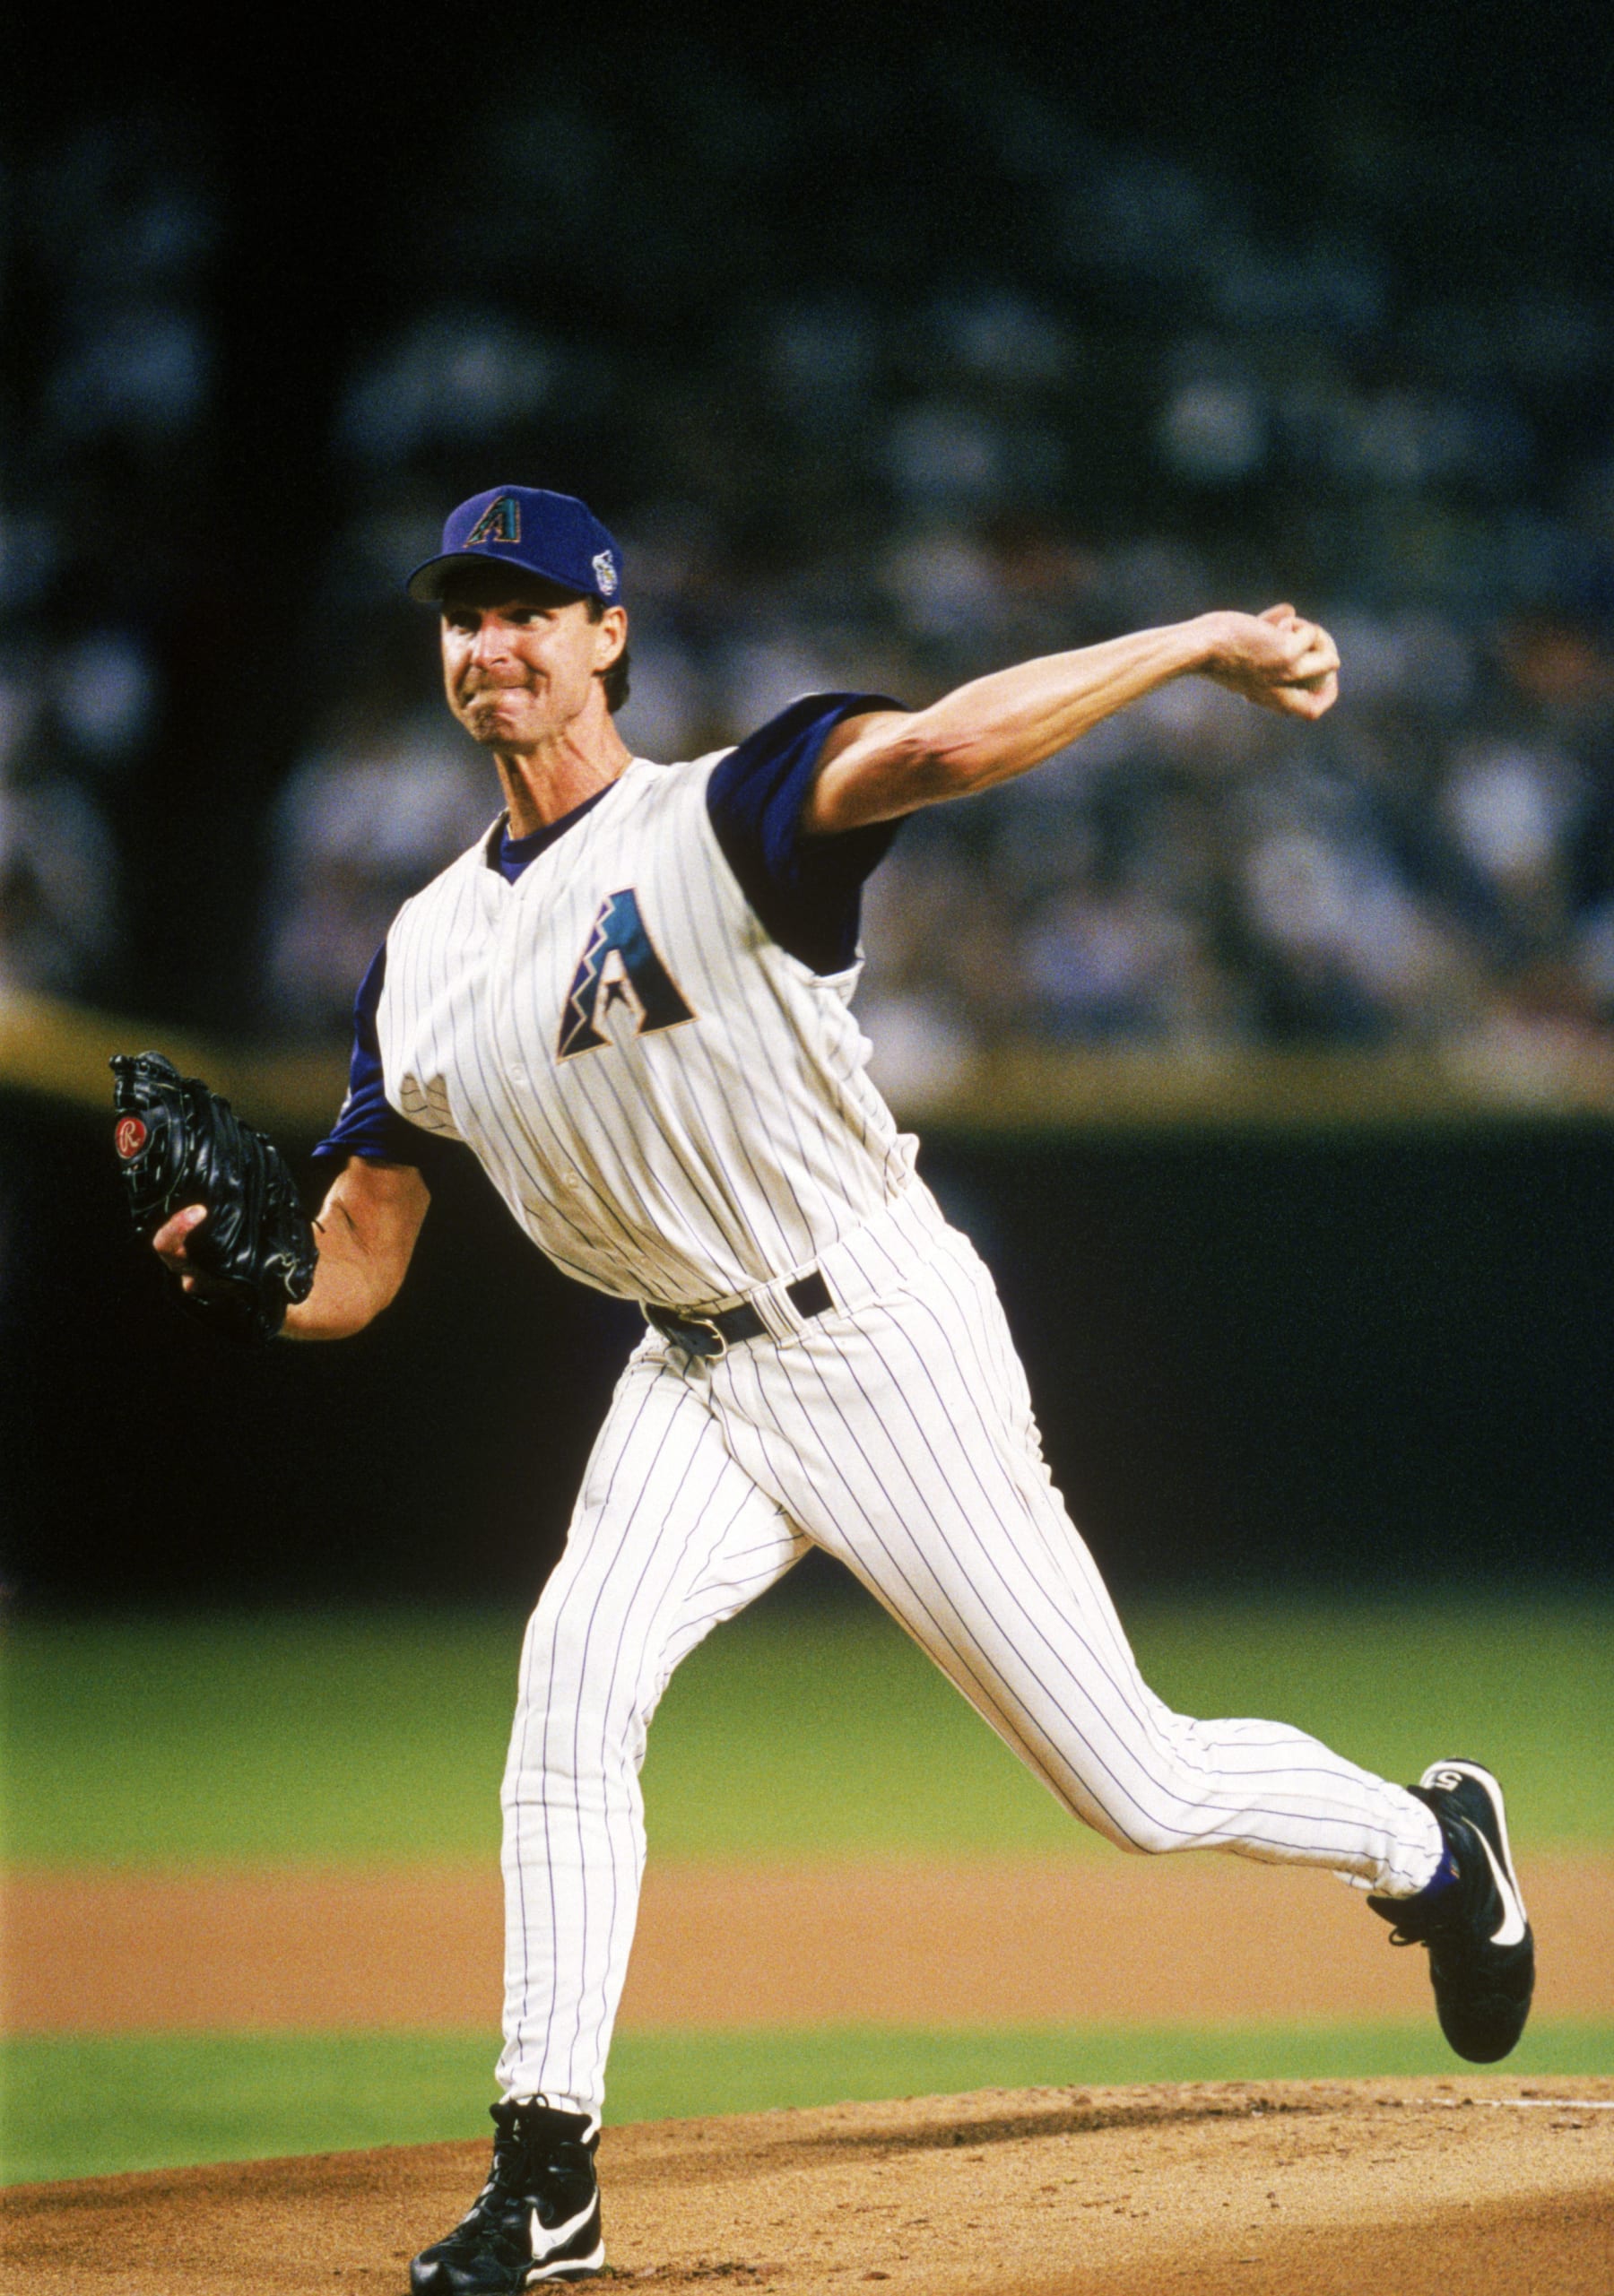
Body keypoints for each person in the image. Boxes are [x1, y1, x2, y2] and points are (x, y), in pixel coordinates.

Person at [155, 485, 1534, 2294]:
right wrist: (256, 1282)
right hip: (685, 1372)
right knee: (572, 1684)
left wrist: (1198, 641)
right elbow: (362, 1246)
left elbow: (946, 746)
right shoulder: (419, 954)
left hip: (878, 1335)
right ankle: (547, 2173)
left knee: (1130, 1777)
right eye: (461, 617)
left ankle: (1429, 1844)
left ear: (606, 637)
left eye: (526, 610)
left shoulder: (722, 817)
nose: (489, 644)